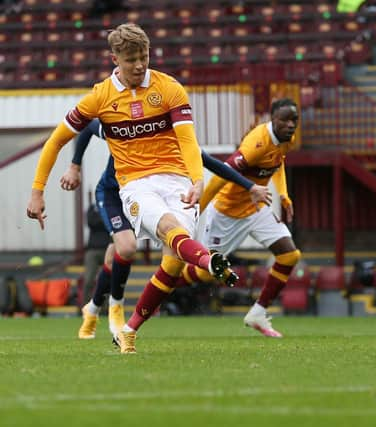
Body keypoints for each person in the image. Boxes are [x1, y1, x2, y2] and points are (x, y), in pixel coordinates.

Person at [27, 23, 237, 354]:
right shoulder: (100, 97)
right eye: (131, 60)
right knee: (163, 232)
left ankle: (128, 329)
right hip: (135, 185)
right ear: (115, 59)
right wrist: (38, 190)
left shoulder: (169, 89)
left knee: (173, 262)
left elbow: (187, 141)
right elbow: (56, 140)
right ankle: (209, 260)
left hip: (178, 179)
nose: (139, 65)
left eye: (144, 57)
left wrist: (197, 180)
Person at [60, 119, 271, 340]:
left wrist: (251, 186)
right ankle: (115, 308)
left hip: (146, 199)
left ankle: (94, 309)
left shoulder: (177, 141)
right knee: (127, 247)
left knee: (133, 253)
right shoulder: (127, 129)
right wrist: (74, 166)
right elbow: (88, 127)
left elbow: (213, 165)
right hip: (114, 194)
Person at [194, 98, 302, 338]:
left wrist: (283, 194)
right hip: (226, 213)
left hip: (255, 209)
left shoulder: (285, 139)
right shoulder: (257, 143)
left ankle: (258, 313)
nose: (291, 125)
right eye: (285, 120)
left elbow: (278, 162)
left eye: (294, 120)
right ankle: (166, 280)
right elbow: (220, 177)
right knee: (204, 273)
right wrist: (195, 211)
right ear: (272, 119)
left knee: (290, 255)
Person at [82, 201, 112, 308]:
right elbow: (91, 222)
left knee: (108, 280)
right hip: (93, 250)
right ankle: (85, 307)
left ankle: (106, 308)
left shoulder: (112, 204)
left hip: (108, 249)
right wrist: (105, 219)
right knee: (88, 280)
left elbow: (113, 223)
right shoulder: (93, 207)